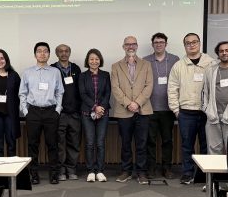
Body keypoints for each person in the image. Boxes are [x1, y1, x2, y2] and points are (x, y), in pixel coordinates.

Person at [168, 32, 215, 184]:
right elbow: (172, 89)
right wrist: (176, 110)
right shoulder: (178, 66)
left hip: (206, 113)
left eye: (194, 42)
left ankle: (204, 174)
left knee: (206, 145)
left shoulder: (211, 63)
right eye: (188, 43)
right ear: (185, 46)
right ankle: (187, 173)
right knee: (187, 146)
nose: (191, 45)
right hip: (186, 113)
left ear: (199, 44)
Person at [19, 42, 64, 185]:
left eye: (45, 51)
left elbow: (60, 92)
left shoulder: (55, 72)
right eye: (39, 51)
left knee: (53, 144)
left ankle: (54, 174)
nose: (42, 54)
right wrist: (26, 111)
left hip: (51, 112)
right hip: (33, 112)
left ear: (49, 54)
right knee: (33, 145)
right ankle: (33, 174)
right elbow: (22, 93)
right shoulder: (27, 72)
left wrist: (57, 110)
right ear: (35, 54)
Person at [111, 35, 153, 184]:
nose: (130, 46)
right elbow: (115, 88)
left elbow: (149, 86)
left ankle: (141, 172)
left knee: (142, 143)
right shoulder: (116, 66)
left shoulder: (146, 64)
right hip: (124, 111)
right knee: (125, 143)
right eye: (127, 44)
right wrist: (129, 103)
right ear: (123, 47)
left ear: (137, 46)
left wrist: (137, 103)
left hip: (143, 110)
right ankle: (126, 171)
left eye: (133, 44)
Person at [143, 32, 179, 179]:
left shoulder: (175, 60)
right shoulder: (145, 61)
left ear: (166, 44)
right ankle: (151, 168)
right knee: (150, 141)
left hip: (168, 108)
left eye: (161, 42)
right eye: (156, 42)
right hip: (149, 108)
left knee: (167, 140)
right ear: (152, 44)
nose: (159, 44)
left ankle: (167, 168)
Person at [79, 48, 111, 182]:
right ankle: (91, 170)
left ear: (100, 60)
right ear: (87, 61)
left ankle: (100, 171)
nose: (94, 61)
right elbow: (82, 94)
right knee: (90, 143)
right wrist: (95, 107)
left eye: (97, 59)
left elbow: (107, 93)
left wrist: (100, 108)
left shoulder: (106, 75)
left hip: (103, 113)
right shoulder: (82, 76)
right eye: (91, 59)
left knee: (100, 143)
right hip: (87, 113)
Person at [52, 44, 82, 181]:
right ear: (56, 54)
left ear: (69, 53)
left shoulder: (76, 68)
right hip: (60, 113)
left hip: (74, 113)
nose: (64, 53)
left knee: (74, 143)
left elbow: (80, 90)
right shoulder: (52, 69)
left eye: (66, 51)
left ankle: (71, 169)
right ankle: (61, 170)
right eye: (60, 51)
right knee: (59, 143)